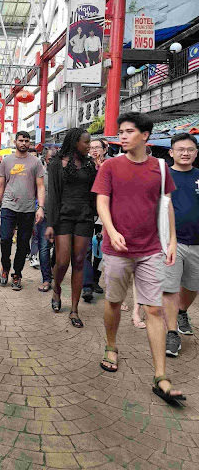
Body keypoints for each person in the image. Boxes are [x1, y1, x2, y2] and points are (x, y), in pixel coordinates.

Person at [93, 112, 185, 404]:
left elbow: (166, 205)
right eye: (121, 131)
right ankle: (111, 346)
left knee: (154, 310)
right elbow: (102, 201)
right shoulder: (110, 166)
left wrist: (171, 240)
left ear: (145, 136)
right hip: (117, 248)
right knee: (114, 302)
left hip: (150, 249)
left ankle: (161, 376)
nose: (122, 136)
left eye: (129, 131)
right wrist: (111, 231)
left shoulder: (161, 167)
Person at [46, 128, 96, 327]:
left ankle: (74, 310)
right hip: (63, 216)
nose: (89, 146)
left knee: (79, 261)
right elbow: (53, 195)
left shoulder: (90, 164)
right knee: (62, 260)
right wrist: (51, 223)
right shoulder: (56, 164)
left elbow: (94, 191)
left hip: (84, 216)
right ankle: (57, 288)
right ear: (75, 142)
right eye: (86, 142)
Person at [162, 133, 199, 357]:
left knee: (193, 286)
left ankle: (182, 311)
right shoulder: (163, 177)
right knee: (169, 288)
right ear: (171, 152)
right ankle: (171, 332)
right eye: (180, 149)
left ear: (196, 152)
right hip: (170, 243)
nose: (185, 153)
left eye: (190, 149)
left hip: (197, 242)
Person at [0, 132, 45, 291]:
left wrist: (40, 207)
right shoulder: (6, 161)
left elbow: (40, 186)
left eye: (26, 141)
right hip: (8, 206)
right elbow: (0, 185)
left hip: (28, 208)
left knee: (23, 244)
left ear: (30, 143)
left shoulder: (36, 162)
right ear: (15, 141)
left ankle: (17, 273)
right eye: (21, 140)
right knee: (5, 239)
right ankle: (5, 266)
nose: (23, 143)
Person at [82, 139, 108, 302]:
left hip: (104, 214)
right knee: (86, 249)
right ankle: (86, 285)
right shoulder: (84, 166)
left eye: (97, 147)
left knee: (100, 247)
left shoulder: (111, 166)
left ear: (105, 149)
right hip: (86, 213)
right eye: (91, 148)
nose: (94, 150)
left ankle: (95, 279)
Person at [29, 147, 56, 292]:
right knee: (44, 248)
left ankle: (54, 271)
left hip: (60, 217)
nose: (53, 162)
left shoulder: (63, 174)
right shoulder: (40, 175)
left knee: (59, 249)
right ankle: (46, 278)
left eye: (55, 159)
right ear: (45, 159)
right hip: (44, 215)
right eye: (50, 159)